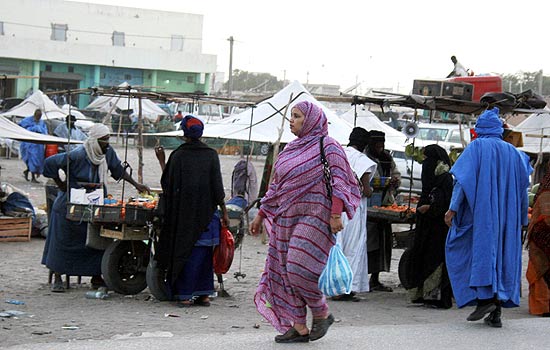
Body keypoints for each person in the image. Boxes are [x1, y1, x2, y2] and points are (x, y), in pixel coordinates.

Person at [249, 101, 361, 343]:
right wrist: (261, 214)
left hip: (316, 217)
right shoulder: (289, 149)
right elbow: (276, 186)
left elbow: (340, 180)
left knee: (299, 267)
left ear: (310, 120)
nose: (292, 120)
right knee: (286, 271)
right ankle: (298, 326)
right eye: (291, 116)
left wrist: (335, 214)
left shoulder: (328, 145)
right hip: (286, 217)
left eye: (297, 116)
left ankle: (321, 313)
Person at [444, 107, 532, 327]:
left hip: (482, 216)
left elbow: (461, 183)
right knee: (503, 256)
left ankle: (485, 300)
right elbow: (523, 190)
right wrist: (522, 219)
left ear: (480, 129)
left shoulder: (476, 148)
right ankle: (497, 311)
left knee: (480, 252)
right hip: (508, 219)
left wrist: (453, 209)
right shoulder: (515, 154)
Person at [41, 124, 149, 292]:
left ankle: (97, 276)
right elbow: (50, 163)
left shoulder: (107, 153)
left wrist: (136, 184)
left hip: (96, 201)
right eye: (104, 140)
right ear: (95, 141)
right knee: (63, 238)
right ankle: (58, 276)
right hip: (72, 201)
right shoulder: (77, 154)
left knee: (98, 237)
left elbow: (118, 170)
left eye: (108, 140)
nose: (108, 143)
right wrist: (61, 184)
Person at [155, 115, 229, 307]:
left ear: (184, 133)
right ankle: (204, 294)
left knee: (186, 254)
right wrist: (225, 213)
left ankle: (185, 294)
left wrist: (162, 161)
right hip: (207, 216)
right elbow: (218, 188)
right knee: (205, 256)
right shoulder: (211, 154)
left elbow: (167, 185)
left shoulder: (178, 156)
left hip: (184, 217)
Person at [405, 144, 454, 309]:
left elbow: (447, 203)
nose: (425, 162)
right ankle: (422, 294)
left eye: (427, 159)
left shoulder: (445, 179)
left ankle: (438, 297)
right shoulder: (430, 179)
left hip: (439, 228)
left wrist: (431, 209)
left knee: (436, 259)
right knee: (422, 257)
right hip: (425, 227)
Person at [332, 127, 376, 302]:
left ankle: (333, 286)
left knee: (336, 247)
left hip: (335, 208)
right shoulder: (362, 161)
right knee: (353, 248)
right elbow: (366, 190)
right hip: (353, 211)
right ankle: (346, 289)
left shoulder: (337, 154)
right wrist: (372, 189)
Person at [365, 130, 401, 292]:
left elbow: (396, 174)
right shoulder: (364, 157)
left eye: (382, 145)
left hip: (384, 204)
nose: (380, 148)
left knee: (383, 244)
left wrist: (394, 181)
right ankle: (361, 278)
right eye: (377, 145)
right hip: (368, 206)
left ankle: (376, 278)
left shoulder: (387, 159)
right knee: (367, 244)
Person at [526, 163, 550, 317]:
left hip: (541, 234)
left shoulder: (544, 188)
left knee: (540, 269)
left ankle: (543, 306)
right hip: (544, 234)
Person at [18, 109, 48, 183]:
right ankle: (33, 177)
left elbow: (45, 131)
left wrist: (40, 130)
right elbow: (21, 128)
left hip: (39, 145)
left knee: (38, 161)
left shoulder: (42, 122)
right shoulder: (27, 120)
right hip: (29, 144)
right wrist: (33, 129)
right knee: (31, 160)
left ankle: (27, 171)